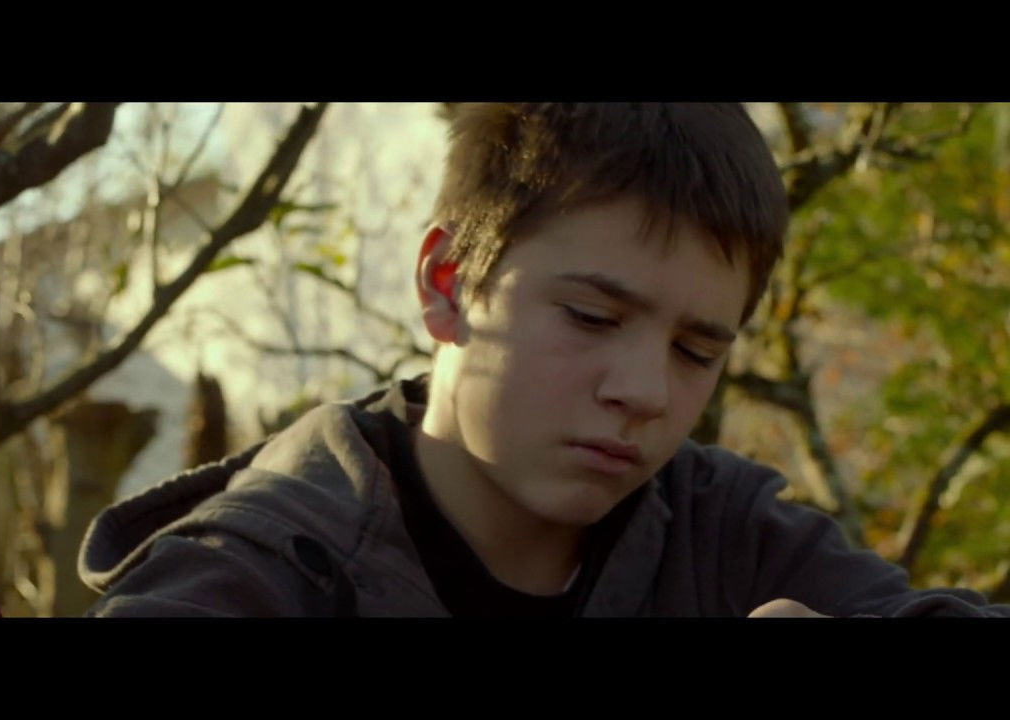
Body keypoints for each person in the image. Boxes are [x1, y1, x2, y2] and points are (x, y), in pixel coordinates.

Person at [78, 103, 1010, 617]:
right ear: (448, 284)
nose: (643, 392)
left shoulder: (718, 530)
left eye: (696, 350)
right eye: (592, 317)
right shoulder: (252, 574)